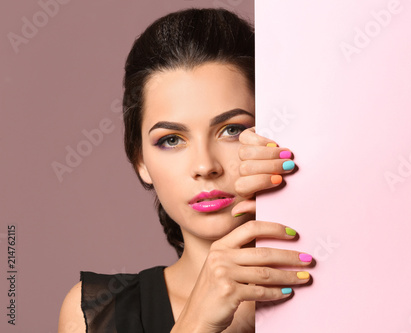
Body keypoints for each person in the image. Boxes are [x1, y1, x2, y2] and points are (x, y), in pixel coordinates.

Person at [58, 7, 312, 332]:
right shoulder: (98, 312)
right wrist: (195, 324)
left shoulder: (348, 282)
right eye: (172, 140)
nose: (205, 166)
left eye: (232, 130)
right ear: (140, 161)